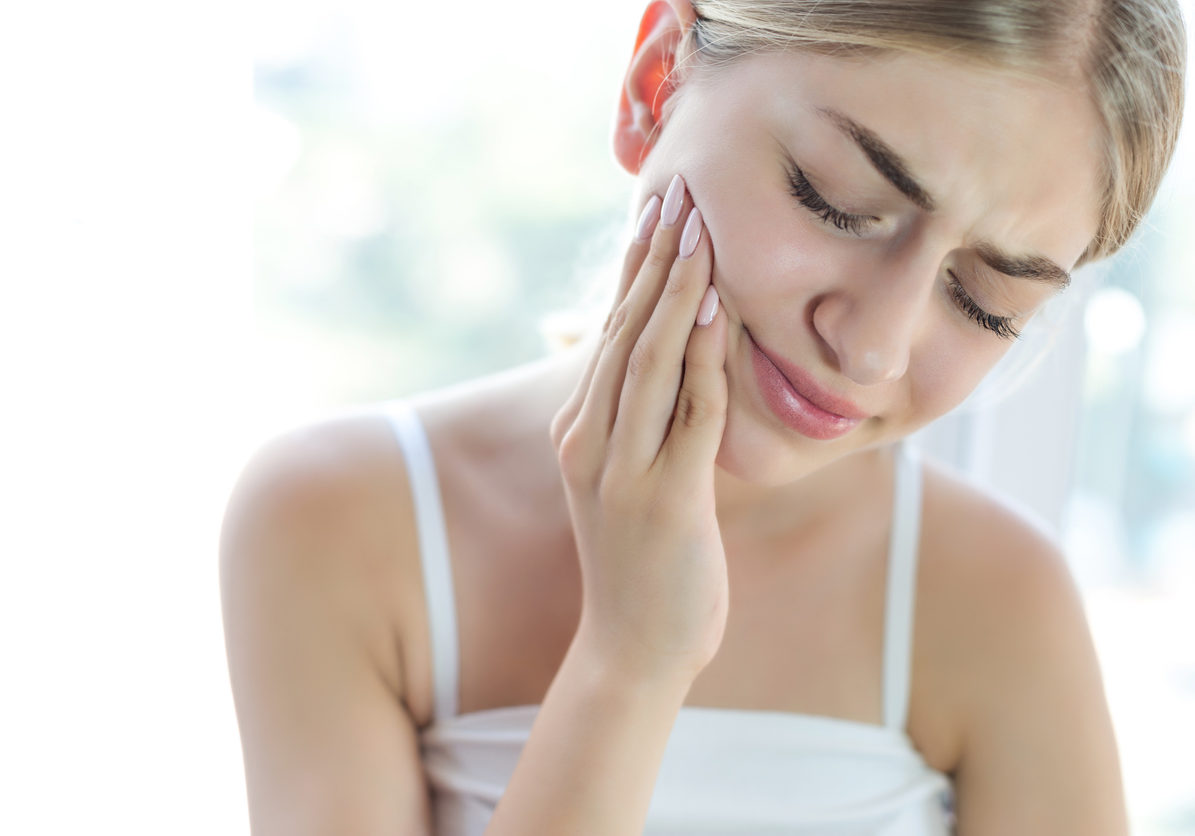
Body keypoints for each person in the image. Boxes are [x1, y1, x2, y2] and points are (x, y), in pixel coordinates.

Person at [220, 0, 1187, 833]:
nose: (872, 349)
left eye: (984, 301)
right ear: (656, 84)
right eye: (836, 203)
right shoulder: (335, 523)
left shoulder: (1000, 602)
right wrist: (631, 662)